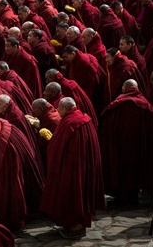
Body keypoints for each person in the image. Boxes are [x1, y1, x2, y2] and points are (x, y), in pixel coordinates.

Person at [38, 97, 105, 239]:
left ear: (64, 108)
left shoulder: (69, 123)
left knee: (73, 193)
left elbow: (57, 146)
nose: (57, 111)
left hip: (73, 166)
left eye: (58, 109)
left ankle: (75, 226)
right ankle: (77, 224)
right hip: (84, 163)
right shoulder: (83, 117)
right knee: (82, 191)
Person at [97, 79, 153, 206]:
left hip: (118, 147)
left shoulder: (116, 106)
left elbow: (105, 124)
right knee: (135, 170)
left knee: (120, 169)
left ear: (124, 89)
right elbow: (152, 128)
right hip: (139, 149)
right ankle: (133, 196)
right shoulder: (145, 106)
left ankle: (121, 197)